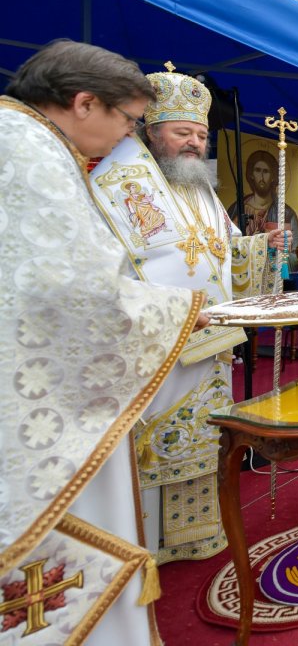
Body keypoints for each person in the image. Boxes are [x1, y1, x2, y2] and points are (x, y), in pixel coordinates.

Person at [2, 41, 207, 645]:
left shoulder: (33, 143)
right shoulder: (28, 148)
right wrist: (177, 309)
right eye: (128, 120)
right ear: (85, 103)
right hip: (48, 391)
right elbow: (73, 291)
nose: (129, 135)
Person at [90, 64, 283, 563]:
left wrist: (262, 246)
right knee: (156, 437)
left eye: (200, 133)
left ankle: (193, 534)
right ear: (151, 132)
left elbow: (225, 252)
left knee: (203, 433)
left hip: (209, 340)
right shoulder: (121, 181)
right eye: (183, 133)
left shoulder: (201, 189)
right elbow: (112, 265)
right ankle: (146, 542)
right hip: (157, 344)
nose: (195, 143)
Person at [228, 147, 298, 245]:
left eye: (266, 171)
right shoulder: (237, 209)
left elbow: (293, 252)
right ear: (251, 174)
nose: (261, 177)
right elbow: (227, 243)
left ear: (273, 177)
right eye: (257, 170)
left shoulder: (287, 213)